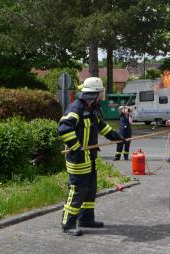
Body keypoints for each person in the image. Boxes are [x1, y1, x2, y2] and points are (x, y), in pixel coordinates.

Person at [58, 77, 125, 236]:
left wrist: (117, 137)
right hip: (78, 159)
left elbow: (102, 127)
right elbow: (63, 127)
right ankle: (68, 224)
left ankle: (86, 219)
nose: (103, 94)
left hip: (90, 158)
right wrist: (76, 147)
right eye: (101, 92)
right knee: (77, 191)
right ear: (94, 94)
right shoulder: (76, 108)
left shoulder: (93, 108)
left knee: (90, 190)